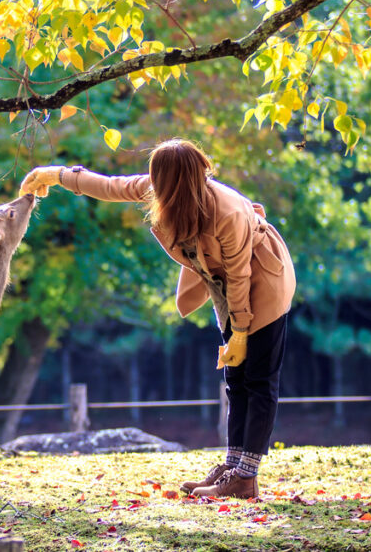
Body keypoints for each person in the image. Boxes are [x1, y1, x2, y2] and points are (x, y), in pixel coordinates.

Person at [19, 138, 295, 499]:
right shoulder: (163, 191)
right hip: (226, 284)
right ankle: (232, 465)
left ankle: (246, 476)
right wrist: (54, 175)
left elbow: (241, 275)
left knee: (258, 380)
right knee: (235, 378)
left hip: (263, 278)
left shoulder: (226, 211)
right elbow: (108, 186)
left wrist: (240, 332)